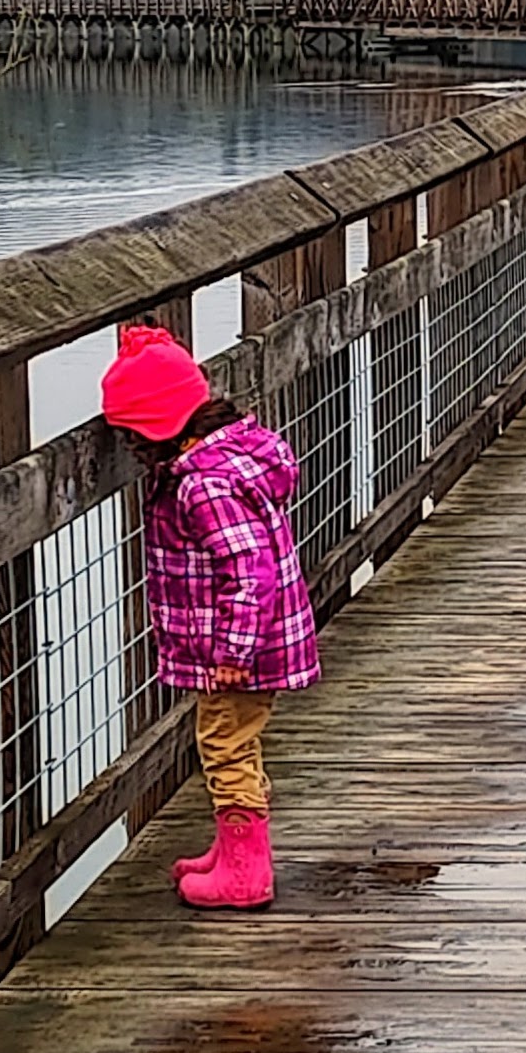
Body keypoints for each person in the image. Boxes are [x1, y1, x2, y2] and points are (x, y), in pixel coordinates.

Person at [97, 322, 319, 909]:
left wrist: (230, 654)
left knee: (223, 746)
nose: (132, 453)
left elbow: (250, 572)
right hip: (259, 643)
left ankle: (246, 874)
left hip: (241, 652)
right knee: (233, 740)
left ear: (156, 430)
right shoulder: (234, 460)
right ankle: (235, 850)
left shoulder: (204, 488)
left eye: (132, 440)